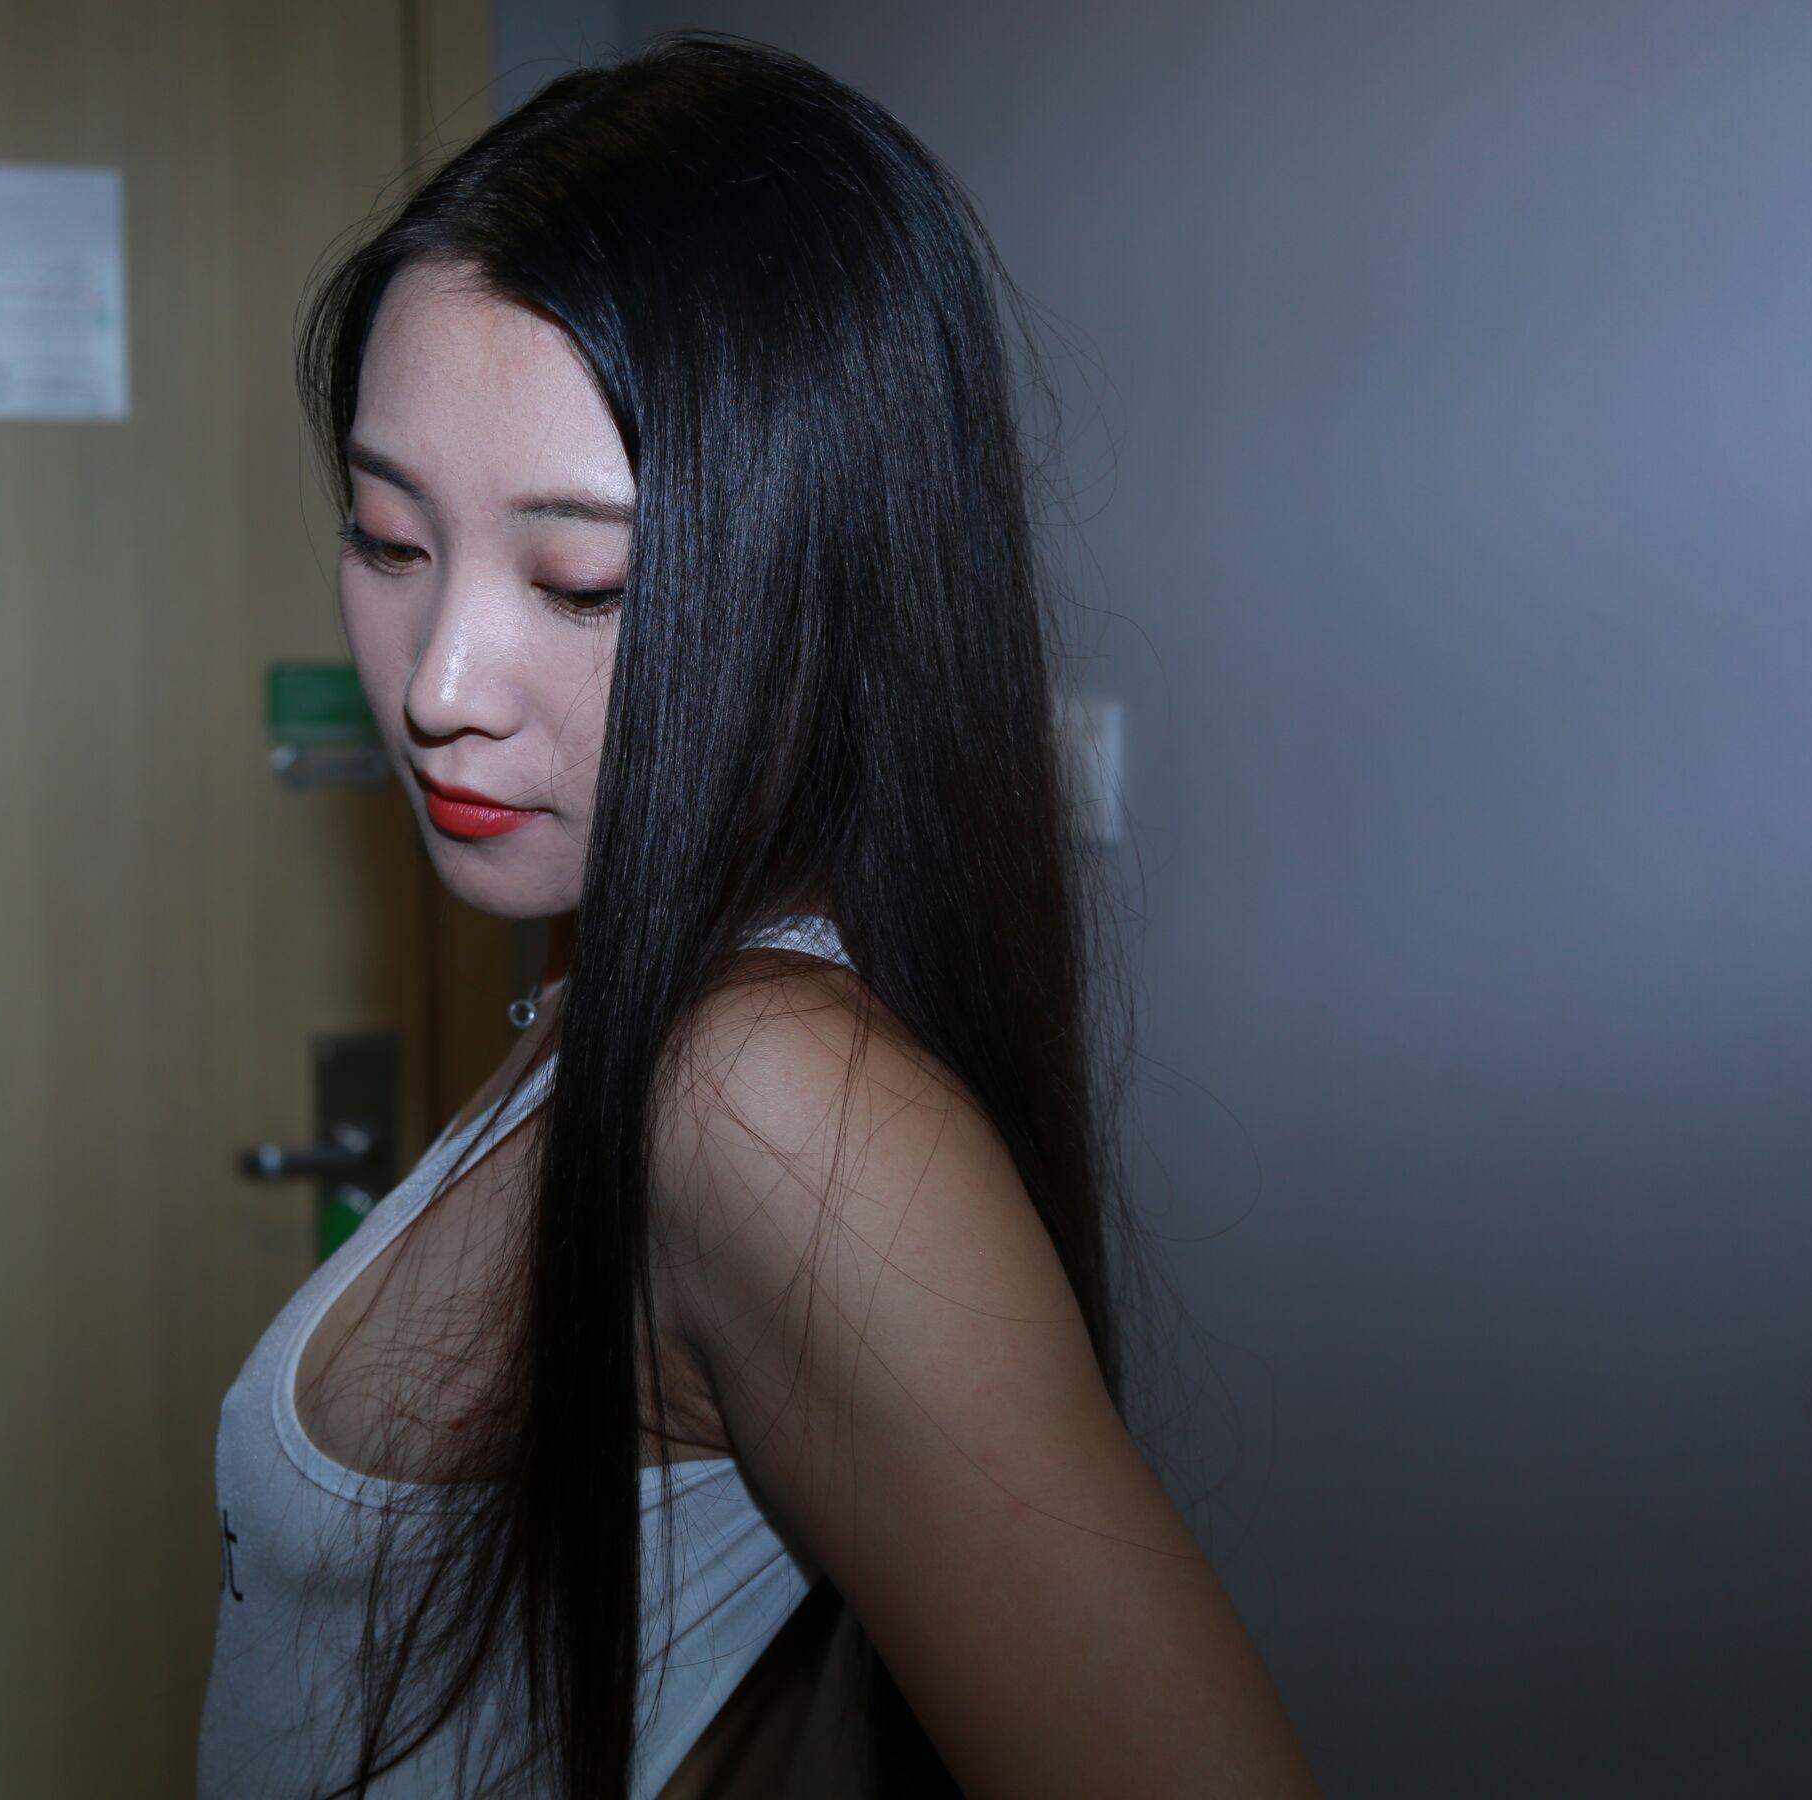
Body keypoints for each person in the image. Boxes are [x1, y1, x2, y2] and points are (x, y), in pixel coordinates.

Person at [199, 31, 1319, 1799]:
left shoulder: (770, 1104)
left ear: (823, 580)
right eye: (391, 540)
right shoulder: (622, 973)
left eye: (581, 581)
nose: (437, 686)